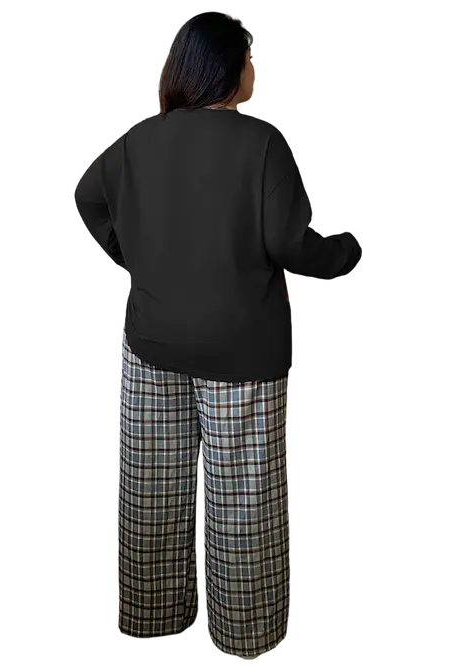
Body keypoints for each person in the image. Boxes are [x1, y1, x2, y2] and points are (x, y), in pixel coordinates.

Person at [75, 12, 364, 663]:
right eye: (252, 58)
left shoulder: (139, 140)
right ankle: (247, 637)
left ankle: (152, 619)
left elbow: (90, 199)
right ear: (229, 66)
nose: (257, 69)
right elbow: (292, 245)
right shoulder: (261, 144)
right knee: (242, 505)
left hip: (150, 346)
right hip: (242, 352)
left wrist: (134, 257)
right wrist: (347, 253)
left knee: (152, 493)